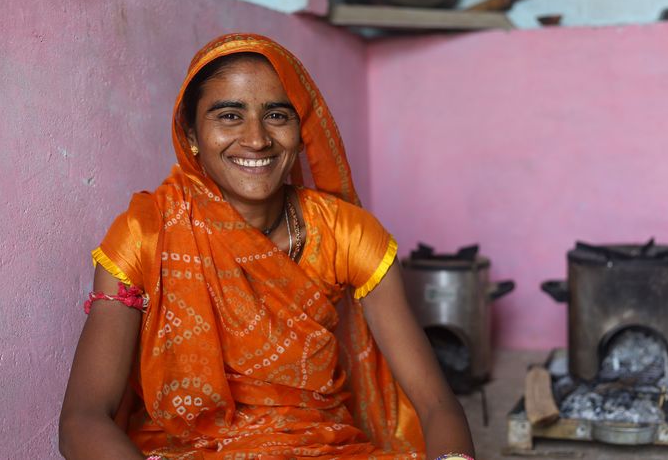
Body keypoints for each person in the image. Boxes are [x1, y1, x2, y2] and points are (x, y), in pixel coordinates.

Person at [59, 33, 475, 459]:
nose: (257, 139)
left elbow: (436, 403)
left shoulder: (345, 233)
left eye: (277, 114)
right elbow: (83, 419)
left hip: (323, 450)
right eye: (229, 116)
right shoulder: (147, 234)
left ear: (300, 130)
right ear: (192, 134)